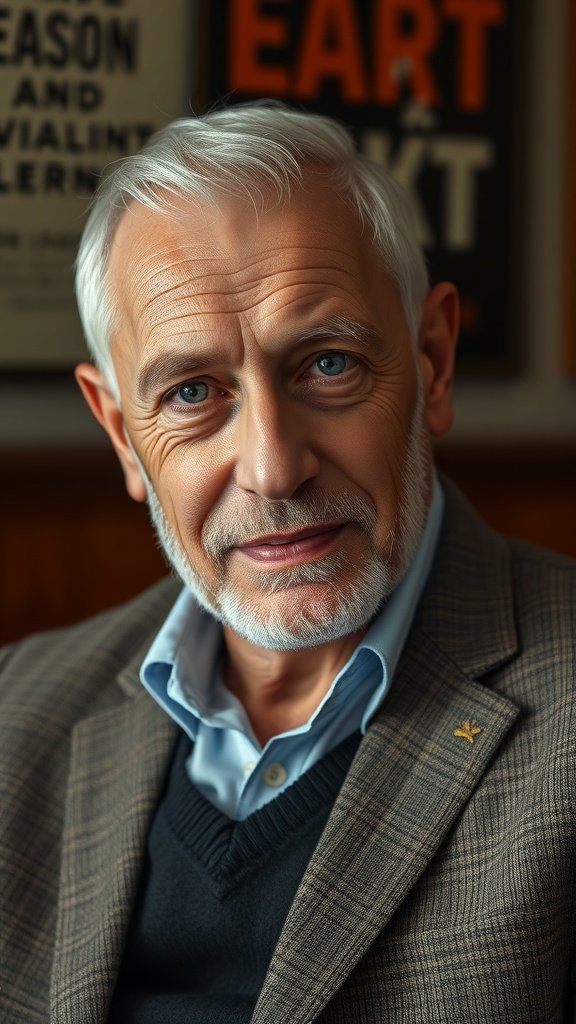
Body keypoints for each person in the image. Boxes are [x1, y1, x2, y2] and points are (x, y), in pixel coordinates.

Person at [1, 102, 574, 1024]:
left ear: (432, 363)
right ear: (121, 435)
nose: (273, 467)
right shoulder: (17, 713)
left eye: (328, 365)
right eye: (192, 392)